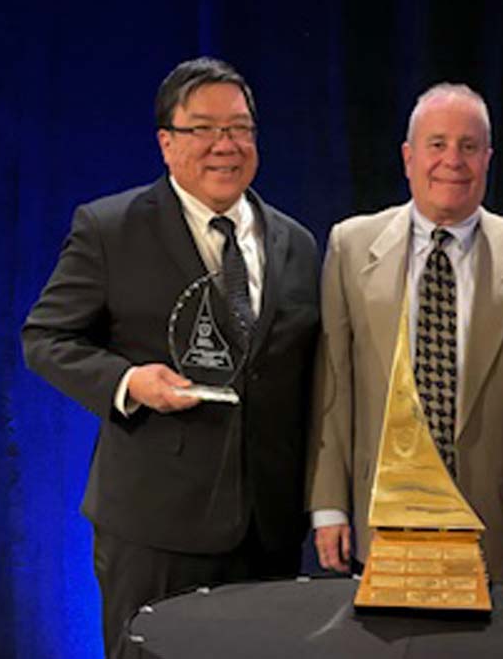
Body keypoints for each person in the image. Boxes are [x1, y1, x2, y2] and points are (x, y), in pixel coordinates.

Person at [21, 57, 319, 658]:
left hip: (268, 527)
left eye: (239, 128)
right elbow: (45, 339)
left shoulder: (297, 241)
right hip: (155, 527)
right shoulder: (110, 228)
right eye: (202, 129)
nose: (224, 146)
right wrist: (129, 381)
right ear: (165, 142)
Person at [306, 83, 503, 581]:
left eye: (468, 146)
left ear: (487, 158)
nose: (453, 160)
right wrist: (329, 507)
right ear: (408, 157)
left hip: (491, 530)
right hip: (380, 523)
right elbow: (334, 386)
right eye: (437, 144)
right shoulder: (349, 246)